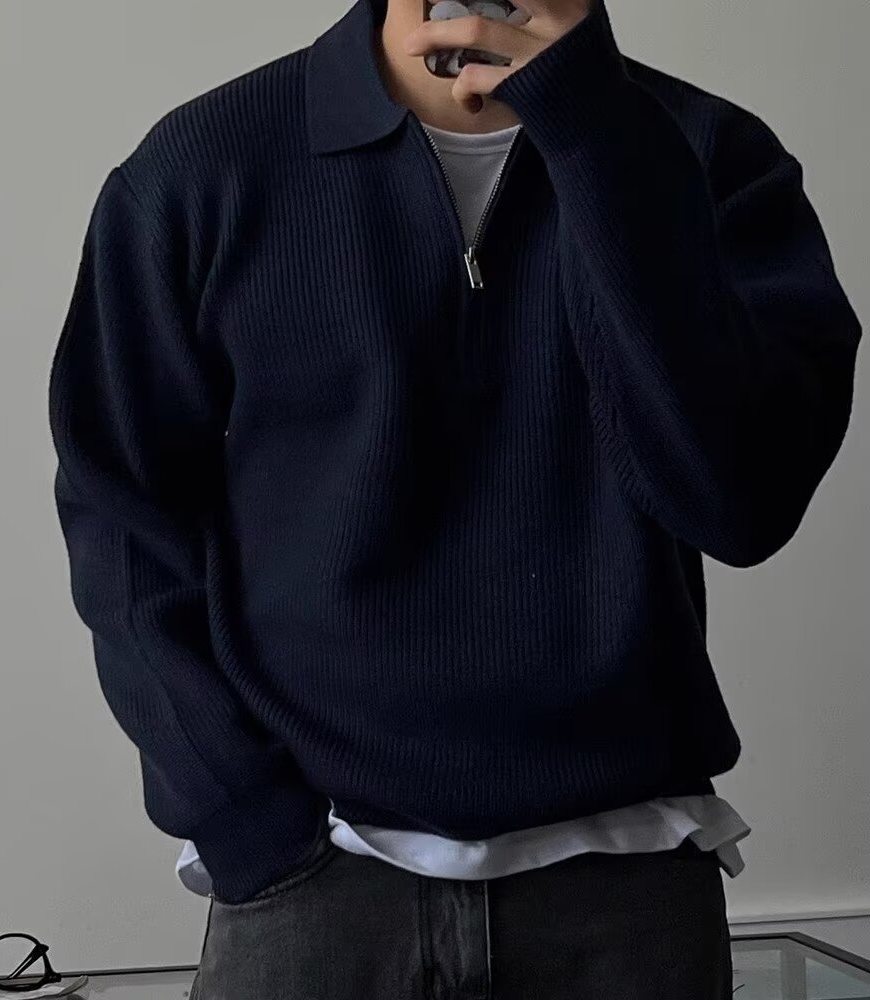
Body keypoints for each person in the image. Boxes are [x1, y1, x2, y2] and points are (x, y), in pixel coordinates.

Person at [47, 0, 863, 996]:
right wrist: (237, 810)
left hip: (626, 880)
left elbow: (736, 503)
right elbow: (122, 520)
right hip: (313, 882)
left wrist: (599, 140)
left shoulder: (706, 153)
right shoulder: (203, 164)